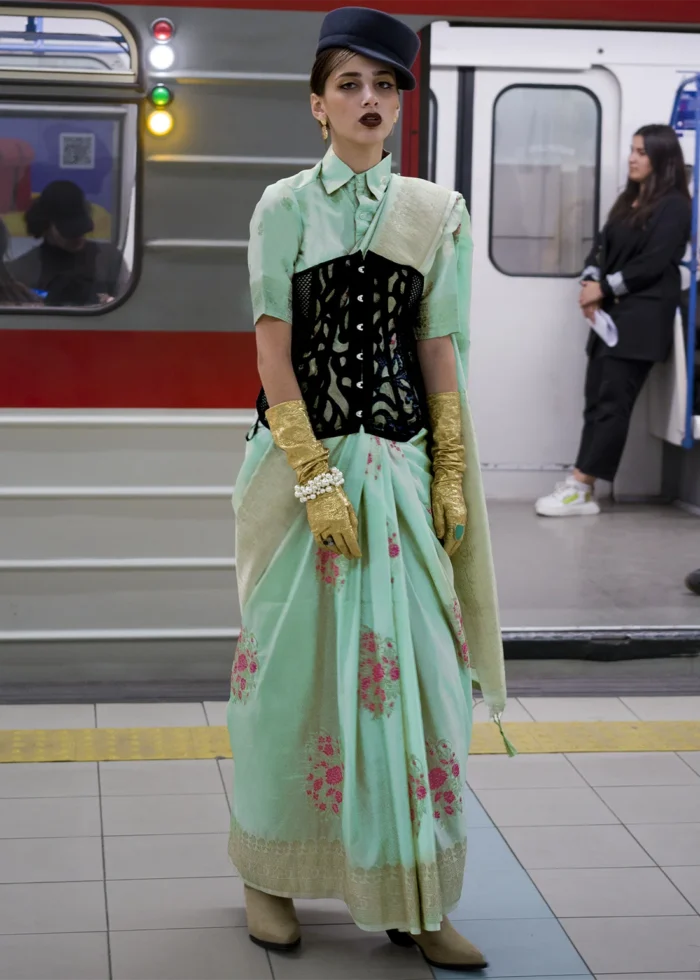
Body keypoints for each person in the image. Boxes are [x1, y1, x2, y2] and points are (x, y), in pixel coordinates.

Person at [226, 6, 508, 971]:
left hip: (400, 471)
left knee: (424, 686)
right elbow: (273, 354)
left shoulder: (437, 211)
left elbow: (437, 349)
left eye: (385, 86)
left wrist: (454, 472)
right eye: (349, 84)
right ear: (317, 104)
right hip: (305, 470)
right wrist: (312, 479)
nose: (369, 100)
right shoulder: (283, 207)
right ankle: (269, 874)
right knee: (290, 683)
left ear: (402, 103)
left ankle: (414, 894)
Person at [536, 124, 691, 517]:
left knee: (611, 405)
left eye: (641, 151)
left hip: (641, 321)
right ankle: (582, 490)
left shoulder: (675, 205)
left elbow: (654, 263)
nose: (632, 158)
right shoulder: (629, 200)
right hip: (611, 321)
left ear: (661, 159)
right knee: (596, 401)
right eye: (632, 150)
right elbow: (601, 248)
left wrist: (603, 289)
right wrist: (591, 279)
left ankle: (580, 484)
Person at [7, 179, 127, 305]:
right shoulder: (22, 271)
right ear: (46, 225)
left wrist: (109, 302)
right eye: (69, 232)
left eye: (81, 230)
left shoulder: (109, 260)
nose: (78, 237)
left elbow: (127, 305)